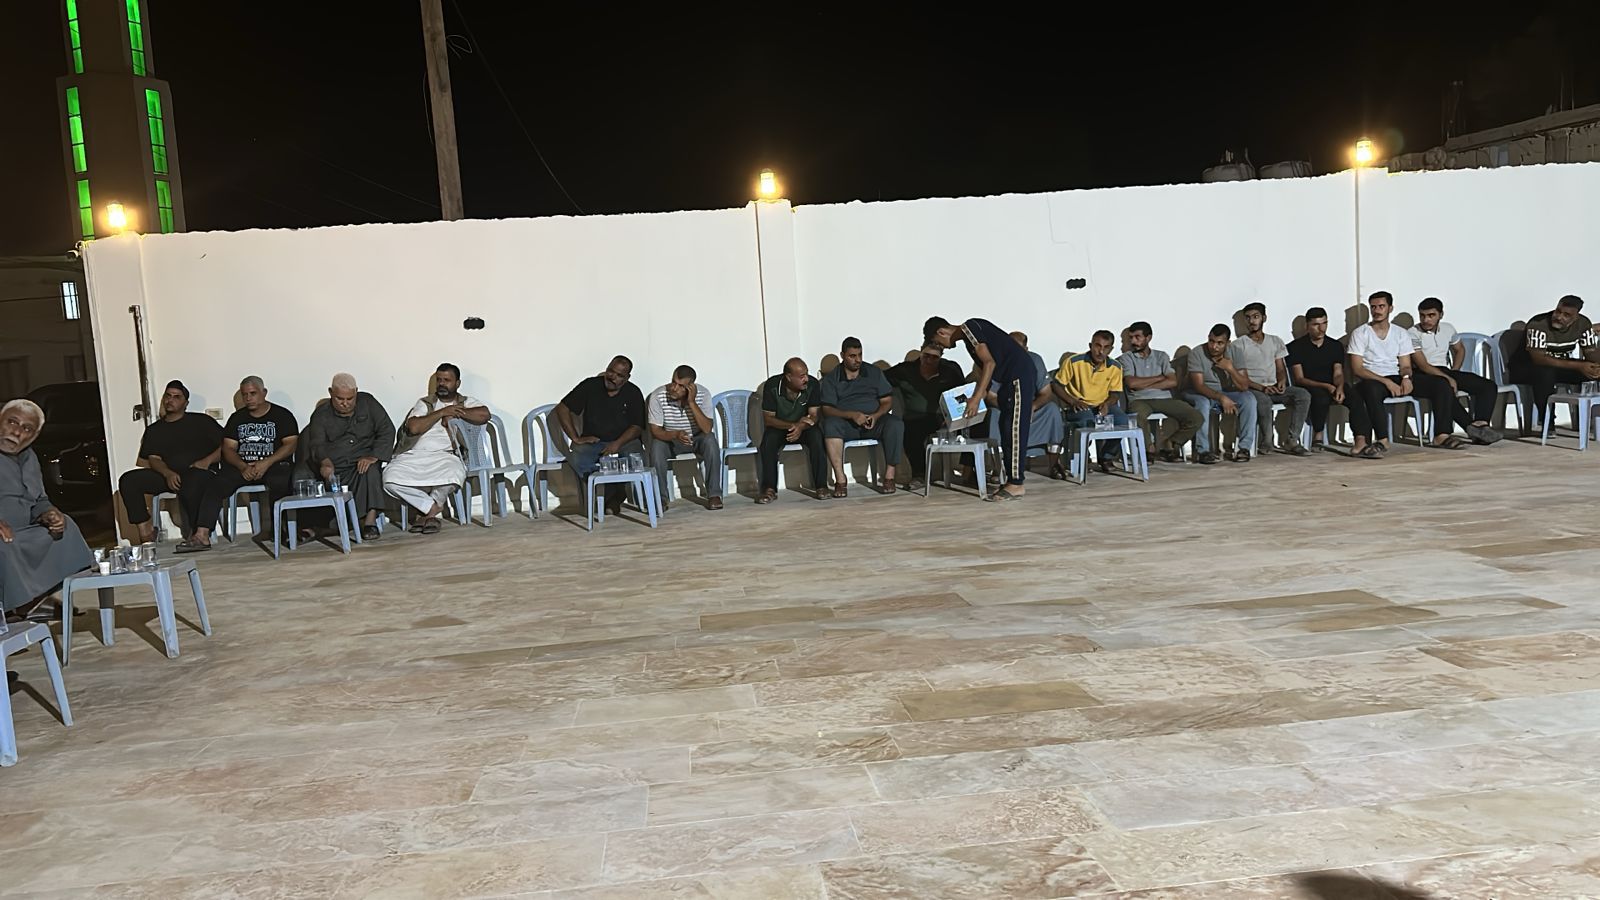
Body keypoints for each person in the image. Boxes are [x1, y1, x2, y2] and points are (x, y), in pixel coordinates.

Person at [182, 376, 299, 552]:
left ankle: (280, 530)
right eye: (245, 395)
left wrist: (266, 463)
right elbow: (228, 448)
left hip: (273, 465)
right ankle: (202, 535)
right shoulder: (237, 418)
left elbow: (291, 444)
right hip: (242, 467)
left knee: (281, 480)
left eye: (253, 393)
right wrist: (243, 466)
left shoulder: (282, 415)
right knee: (215, 484)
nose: (248, 398)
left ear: (264, 393)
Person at [1, 399, 94, 622]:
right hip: (5, 536)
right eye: (12, 422)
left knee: (66, 528)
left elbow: (38, 499)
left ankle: (34, 600)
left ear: (34, 436)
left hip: (23, 531)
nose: (16, 432)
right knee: (4, 545)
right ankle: (16, 606)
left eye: (26, 429)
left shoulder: (29, 457)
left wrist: (49, 513)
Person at [925, 317, 1037, 499]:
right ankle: (1012, 480)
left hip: (1018, 376)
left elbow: (989, 363)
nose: (942, 348)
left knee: (1014, 430)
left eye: (938, 342)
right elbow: (988, 372)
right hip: (1007, 381)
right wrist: (970, 403)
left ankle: (1016, 484)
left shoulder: (969, 328)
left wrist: (976, 399)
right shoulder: (969, 343)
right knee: (1006, 427)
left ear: (942, 332)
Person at [383, 363, 489, 534]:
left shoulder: (466, 402)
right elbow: (414, 428)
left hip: (446, 456)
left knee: (454, 475)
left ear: (457, 383)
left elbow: (484, 415)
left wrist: (456, 414)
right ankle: (432, 509)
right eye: (439, 380)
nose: (441, 384)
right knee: (390, 479)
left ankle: (425, 515)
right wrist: (441, 413)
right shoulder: (426, 403)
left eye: (447, 380)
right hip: (414, 456)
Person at [116, 380, 222, 544]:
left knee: (193, 481)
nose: (170, 400)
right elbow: (154, 458)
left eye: (176, 397)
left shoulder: (201, 421)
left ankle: (199, 534)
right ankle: (146, 532)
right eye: (168, 396)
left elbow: (227, 446)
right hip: (169, 475)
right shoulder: (155, 430)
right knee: (128, 480)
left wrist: (207, 461)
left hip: (199, 472)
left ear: (185, 403)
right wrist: (167, 473)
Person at [302, 372, 396, 541]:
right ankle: (327, 526)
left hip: (362, 462)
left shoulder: (368, 403)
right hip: (336, 467)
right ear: (330, 392)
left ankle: (370, 523)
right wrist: (325, 462)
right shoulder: (321, 414)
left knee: (371, 471)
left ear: (356, 392)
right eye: (340, 399)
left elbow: (387, 430)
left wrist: (374, 456)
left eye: (350, 399)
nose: (345, 403)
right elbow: (317, 444)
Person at [557, 355, 646, 517]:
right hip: (595, 441)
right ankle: (612, 491)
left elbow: (637, 426)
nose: (612, 377)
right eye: (610, 371)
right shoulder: (590, 385)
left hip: (625, 441)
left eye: (619, 375)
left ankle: (613, 496)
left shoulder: (633, 392)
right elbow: (562, 408)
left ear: (627, 378)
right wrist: (575, 438)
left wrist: (617, 443)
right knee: (577, 456)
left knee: (636, 458)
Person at [1408, 297, 1503, 445]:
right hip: (1423, 373)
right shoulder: (1412, 333)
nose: (1426, 320)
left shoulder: (1448, 328)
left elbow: (1459, 349)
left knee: (1487, 386)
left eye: (1431, 315)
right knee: (1444, 387)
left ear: (1441, 315)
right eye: (1422, 316)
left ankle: (1481, 425)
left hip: (1444, 370)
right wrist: (1449, 378)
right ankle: (1469, 427)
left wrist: (1454, 371)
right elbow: (1423, 365)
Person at [820, 337, 902, 497]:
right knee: (830, 425)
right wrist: (851, 415)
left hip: (873, 422)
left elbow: (887, 401)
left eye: (860, 355)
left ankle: (889, 477)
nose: (857, 360)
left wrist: (876, 416)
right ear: (843, 355)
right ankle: (840, 480)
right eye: (852, 356)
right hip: (846, 425)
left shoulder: (874, 372)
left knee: (895, 424)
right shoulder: (832, 378)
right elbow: (827, 409)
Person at [1346, 291, 1422, 458]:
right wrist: (1386, 382)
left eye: (1381, 306)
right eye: (1373, 307)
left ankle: (1444, 435)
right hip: (1370, 378)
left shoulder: (1400, 333)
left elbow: (1405, 365)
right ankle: (1383, 439)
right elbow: (1357, 369)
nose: (1377, 310)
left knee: (1438, 384)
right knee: (1370, 390)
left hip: (1395, 376)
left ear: (1390, 308)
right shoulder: (1360, 333)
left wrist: (1406, 378)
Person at [1232, 302, 1312, 455]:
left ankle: (1292, 440)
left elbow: (1280, 368)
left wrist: (1281, 382)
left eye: (1256, 317)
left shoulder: (1275, 341)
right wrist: (1262, 388)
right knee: (1263, 401)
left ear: (1264, 318)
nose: (1252, 321)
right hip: (1253, 389)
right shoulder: (1238, 345)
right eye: (1248, 318)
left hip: (1273, 386)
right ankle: (1267, 441)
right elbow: (1241, 378)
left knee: (1303, 395)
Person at [1510, 294, 1600, 430]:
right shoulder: (1538, 324)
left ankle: (1593, 421)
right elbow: (1539, 359)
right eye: (1558, 311)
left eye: (1566, 315)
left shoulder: (1583, 324)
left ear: (1575, 317)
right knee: (1544, 373)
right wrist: (1580, 365)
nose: (1559, 317)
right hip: (1526, 368)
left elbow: (1591, 352)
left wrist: (1596, 367)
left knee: (1594, 372)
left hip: (1559, 366)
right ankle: (1547, 422)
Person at [1119, 322, 1203, 463]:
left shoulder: (1161, 356)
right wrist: (1159, 377)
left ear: (1148, 338)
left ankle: (1172, 444)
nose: (1133, 341)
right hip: (1139, 400)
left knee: (1195, 417)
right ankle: (1149, 450)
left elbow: (1172, 381)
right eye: (1131, 338)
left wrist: (1143, 384)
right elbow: (1132, 384)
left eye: (1137, 337)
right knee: (1137, 416)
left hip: (1164, 399)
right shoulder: (1126, 358)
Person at [886, 341, 965, 490]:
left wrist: (952, 414)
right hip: (914, 417)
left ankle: (969, 471)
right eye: (926, 356)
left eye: (934, 357)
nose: (929, 360)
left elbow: (963, 393)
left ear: (941, 357)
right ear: (921, 352)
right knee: (909, 430)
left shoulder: (949, 370)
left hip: (941, 417)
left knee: (973, 425)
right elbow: (880, 379)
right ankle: (919, 475)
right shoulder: (905, 370)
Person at [1287, 307, 1367, 450]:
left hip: (1333, 384)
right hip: (1310, 385)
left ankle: (1360, 439)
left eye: (1324, 323)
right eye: (1316, 325)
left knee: (1355, 397)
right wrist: (1326, 386)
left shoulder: (1335, 346)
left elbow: (1338, 373)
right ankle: (1318, 436)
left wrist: (1340, 387)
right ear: (1307, 326)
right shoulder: (1296, 347)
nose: (1321, 329)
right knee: (1320, 397)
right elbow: (1300, 378)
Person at [646, 364, 723, 511]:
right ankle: (661, 499)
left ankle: (714, 495)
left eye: (681, 386)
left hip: (697, 439)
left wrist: (691, 402)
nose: (674, 388)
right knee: (656, 447)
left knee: (710, 441)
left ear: (690, 387)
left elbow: (707, 428)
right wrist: (675, 434)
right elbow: (655, 431)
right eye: (673, 382)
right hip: (671, 439)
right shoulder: (658, 396)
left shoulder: (703, 394)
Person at [1053, 330, 1130, 473]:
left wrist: (1107, 404)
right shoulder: (1074, 362)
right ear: (1090, 346)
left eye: (1106, 347)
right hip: (1078, 405)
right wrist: (1073, 401)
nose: (1101, 351)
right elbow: (1057, 385)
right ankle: (1082, 457)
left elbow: (1115, 393)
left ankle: (1106, 456)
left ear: (1111, 349)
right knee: (1087, 420)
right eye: (1097, 346)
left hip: (1102, 405)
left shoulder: (1115, 366)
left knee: (1123, 421)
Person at [756, 357, 827, 503]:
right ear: (788, 377)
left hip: (804, 428)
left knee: (817, 436)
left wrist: (800, 426)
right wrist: (793, 426)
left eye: (806, 374)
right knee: (768, 441)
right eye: (802, 376)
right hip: (780, 427)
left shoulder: (812, 384)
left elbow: (814, 416)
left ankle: (821, 486)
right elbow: (769, 419)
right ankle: (769, 489)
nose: (806, 379)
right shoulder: (773, 385)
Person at [1185, 324, 1256, 463]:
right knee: (1203, 403)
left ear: (1228, 343)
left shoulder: (1235, 352)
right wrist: (1221, 398)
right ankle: (1203, 451)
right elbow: (1199, 386)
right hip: (1201, 393)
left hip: (1226, 393)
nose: (1214, 347)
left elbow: (1244, 386)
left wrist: (1230, 369)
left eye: (1219, 343)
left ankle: (1244, 448)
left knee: (1249, 399)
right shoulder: (1197, 353)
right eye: (1211, 341)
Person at [1010, 332, 1066, 479]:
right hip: (1008, 408)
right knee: (994, 415)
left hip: (1032, 409)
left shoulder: (1035, 360)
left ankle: (1054, 464)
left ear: (1026, 349)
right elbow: (991, 395)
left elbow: (1046, 393)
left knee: (1052, 410)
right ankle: (999, 468)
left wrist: (1032, 407)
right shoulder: (998, 360)